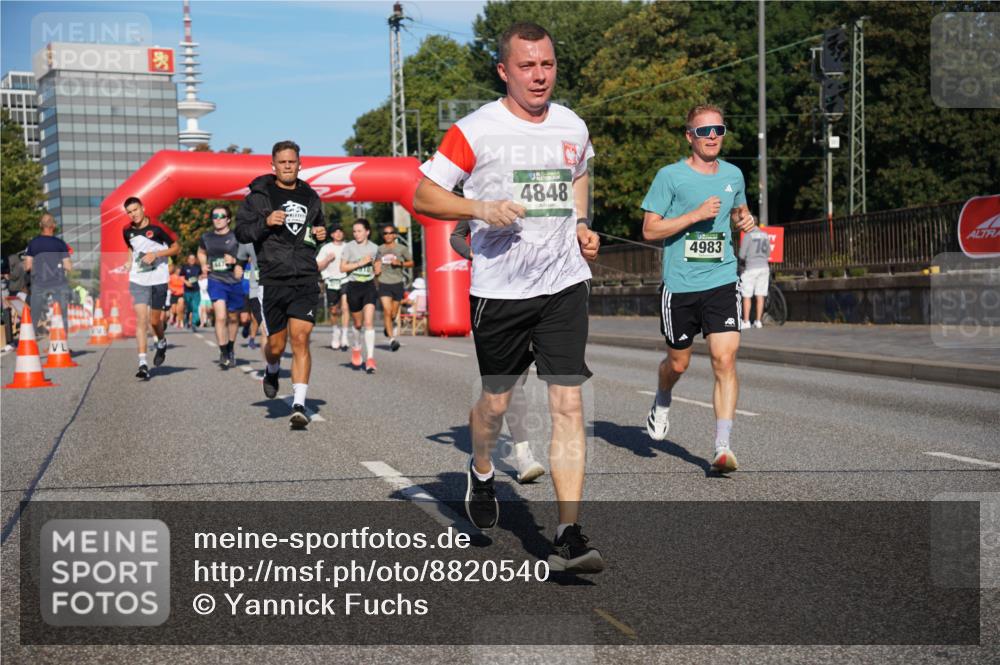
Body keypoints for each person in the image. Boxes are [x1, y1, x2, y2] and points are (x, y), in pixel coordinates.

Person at [413, 21, 603, 573]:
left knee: (568, 404)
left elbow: (579, 173)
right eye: (527, 66)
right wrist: (480, 209)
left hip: (564, 282)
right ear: (504, 70)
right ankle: (481, 469)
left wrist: (582, 223)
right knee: (495, 403)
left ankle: (568, 531)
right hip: (500, 290)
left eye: (547, 64)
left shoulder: (571, 123)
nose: (539, 75)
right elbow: (425, 193)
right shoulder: (475, 131)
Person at [639, 104, 757, 474]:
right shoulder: (670, 177)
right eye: (704, 132)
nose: (712, 137)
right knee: (679, 362)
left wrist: (746, 220)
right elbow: (649, 230)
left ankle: (723, 446)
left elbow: (739, 213)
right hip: (680, 286)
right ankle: (662, 397)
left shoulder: (734, 174)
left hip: (721, 279)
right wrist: (694, 215)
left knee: (725, 358)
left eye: (718, 130)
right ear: (689, 136)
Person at [234, 140, 327, 430]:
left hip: (305, 277)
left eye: (292, 161)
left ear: (300, 164)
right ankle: (272, 369)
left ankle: (299, 404)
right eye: (283, 162)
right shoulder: (258, 196)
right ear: (272, 165)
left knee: (301, 338)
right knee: (276, 345)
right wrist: (266, 222)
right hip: (273, 277)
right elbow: (242, 232)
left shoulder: (311, 196)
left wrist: (321, 234)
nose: (288, 166)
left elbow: (316, 230)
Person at [450, 220, 545, 484]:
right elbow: (457, 236)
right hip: (495, 300)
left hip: (538, 295)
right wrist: (473, 253)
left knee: (516, 382)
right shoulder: (480, 191)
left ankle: (520, 451)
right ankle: (518, 456)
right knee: (507, 385)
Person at [122, 197, 180, 379]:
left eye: (136, 210)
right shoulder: (127, 230)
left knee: (155, 322)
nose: (134, 214)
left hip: (158, 278)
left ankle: (161, 342)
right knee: (141, 319)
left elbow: (176, 248)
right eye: (130, 212)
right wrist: (129, 261)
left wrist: (156, 254)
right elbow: (131, 247)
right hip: (138, 278)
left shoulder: (157, 227)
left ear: (143, 208)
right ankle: (142, 363)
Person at [198, 205, 245, 368]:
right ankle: (224, 351)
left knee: (233, 318)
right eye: (214, 216)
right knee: (220, 317)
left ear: (228, 219)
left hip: (234, 281)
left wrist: (235, 262)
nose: (217, 219)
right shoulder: (206, 237)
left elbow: (249, 254)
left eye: (221, 216)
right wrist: (203, 265)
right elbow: (201, 252)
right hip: (216, 280)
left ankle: (230, 347)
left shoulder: (237, 236)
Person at [340, 219, 381, 373]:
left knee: (369, 322)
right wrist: (360, 263)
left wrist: (377, 268)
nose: (356, 234)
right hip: (353, 286)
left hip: (369, 286)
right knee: (358, 323)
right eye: (355, 231)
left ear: (367, 232)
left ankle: (370, 358)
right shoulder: (349, 247)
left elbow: (377, 265)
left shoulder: (374, 247)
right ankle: (356, 347)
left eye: (359, 231)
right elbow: (342, 267)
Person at [24, 213, 72, 332]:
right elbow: (68, 266)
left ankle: (29, 342)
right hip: (59, 283)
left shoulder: (33, 243)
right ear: (53, 226)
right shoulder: (61, 244)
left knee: (34, 314)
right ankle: (63, 345)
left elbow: (27, 266)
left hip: (39, 283)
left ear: (40, 225)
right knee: (62, 314)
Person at [376, 224, 413, 352]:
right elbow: (375, 263)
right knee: (387, 310)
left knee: (392, 313)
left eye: (390, 233)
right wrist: (376, 269)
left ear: (395, 235)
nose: (388, 235)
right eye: (385, 233)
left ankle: (388, 326)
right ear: (383, 236)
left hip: (397, 283)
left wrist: (400, 263)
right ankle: (392, 339)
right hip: (383, 282)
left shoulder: (401, 249)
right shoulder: (379, 249)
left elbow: (411, 263)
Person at [316, 226, 349, 350]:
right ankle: (336, 332)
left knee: (345, 307)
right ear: (331, 235)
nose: (339, 233)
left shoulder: (348, 247)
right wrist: (327, 260)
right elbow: (318, 265)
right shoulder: (326, 248)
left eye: (341, 231)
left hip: (345, 279)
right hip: (331, 281)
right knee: (333, 310)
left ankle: (345, 336)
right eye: (336, 231)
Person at [739, 218, 771, 329]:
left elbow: (742, 254)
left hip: (751, 267)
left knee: (747, 295)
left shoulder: (748, 235)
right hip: (764, 267)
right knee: (760, 295)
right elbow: (768, 253)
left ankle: (746, 321)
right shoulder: (765, 235)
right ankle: (758, 321)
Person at [180, 254, 202, 330]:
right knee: (189, 307)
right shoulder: (184, 267)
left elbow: (201, 276)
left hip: (196, 290)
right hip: (187, 291)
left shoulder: (198, 267)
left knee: (195, 307)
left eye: (193, 258)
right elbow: (181, 276)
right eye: (190, 258)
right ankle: (186, 317)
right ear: (188, 259)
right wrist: (186, 282)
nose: (192, 260)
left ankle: (194, 323)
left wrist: (198, 278)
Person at [167, 264, 185, 328]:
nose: (179, 272)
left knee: (179, 309)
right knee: (174, 310)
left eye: (180, 271)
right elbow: (168, 284)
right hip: (174, 294)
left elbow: (185, 284)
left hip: (181, 294)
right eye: (177, 271)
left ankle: (180, 322)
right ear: (175, 271)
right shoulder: (171, 277)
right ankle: (174, 319)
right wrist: (172, 289)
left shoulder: (183, 277)